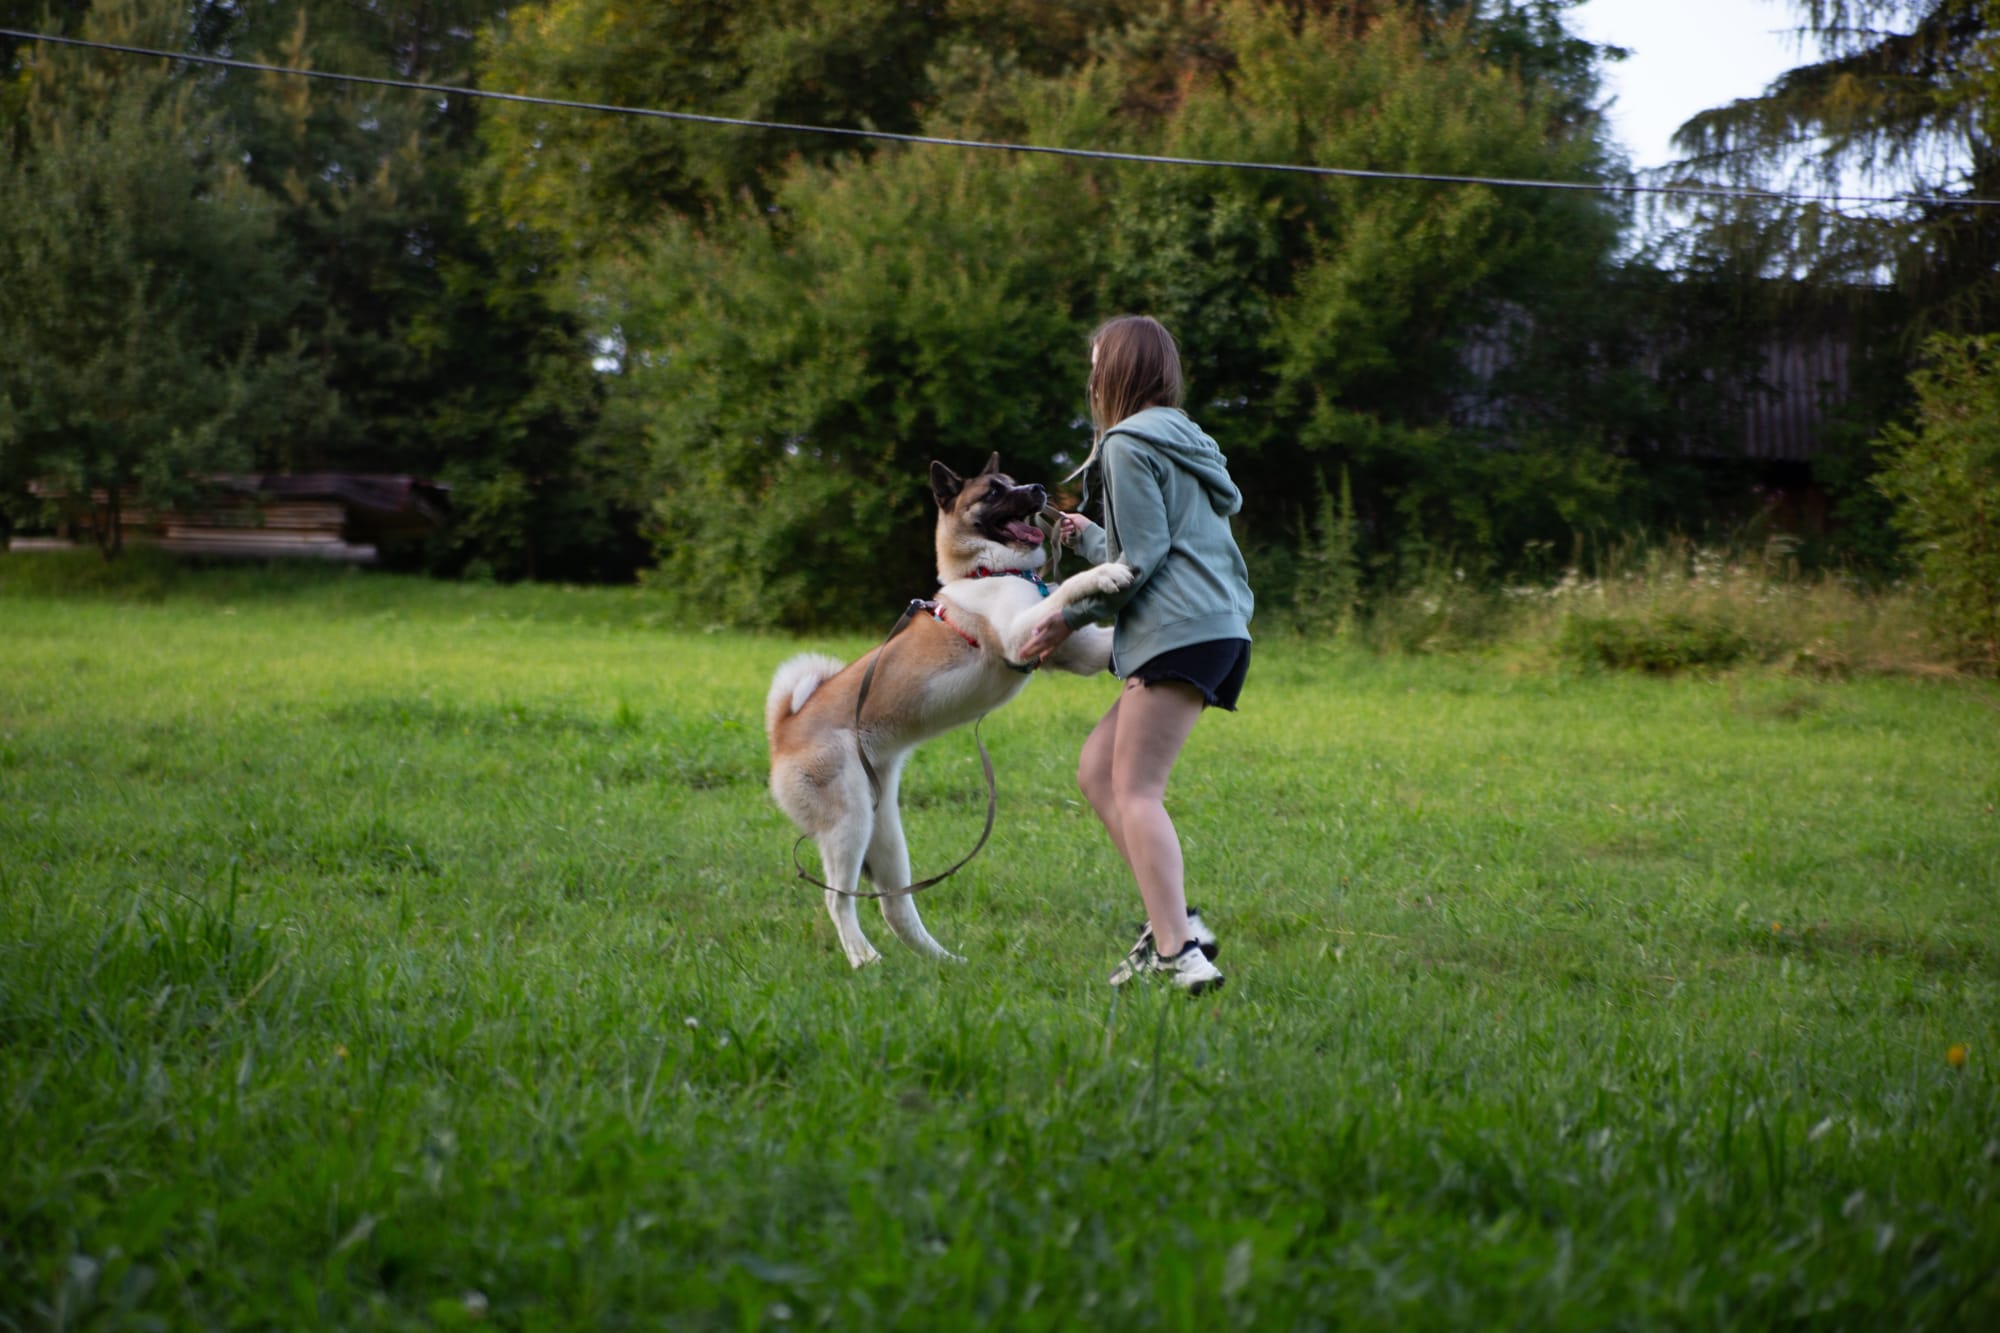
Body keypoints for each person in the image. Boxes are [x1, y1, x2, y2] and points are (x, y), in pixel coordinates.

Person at [1017, 315, 1254, 995]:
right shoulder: (1186, 438)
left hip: (1177, 630)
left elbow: (1140, 567)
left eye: (1097, 366)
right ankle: (1172, 923)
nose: (1092, 380)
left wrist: (1062, 618)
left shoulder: (1124, 443)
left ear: (1117, 373)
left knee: (1137, 789)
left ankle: (1180, 949)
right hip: (1220, 628)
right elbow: (1151, 546)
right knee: (1098, 770)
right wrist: (1092, 540)